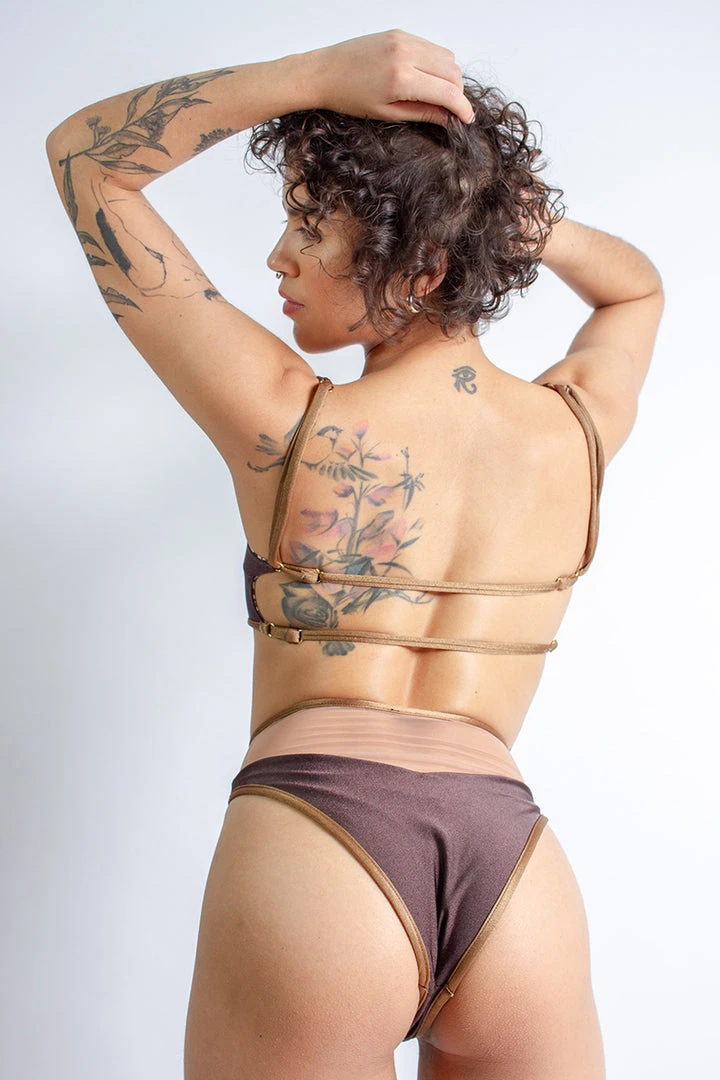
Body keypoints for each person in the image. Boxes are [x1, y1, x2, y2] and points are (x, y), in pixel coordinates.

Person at [46, 28, 664, 1080]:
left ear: (422, 266)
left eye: (310, 227)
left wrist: (314, 78)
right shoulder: (575, 429)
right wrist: (490, 209)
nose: (278, 260)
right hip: (514, 872)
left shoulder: (287, 422)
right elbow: (635, 290)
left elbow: (86, 158)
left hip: (320, 843)